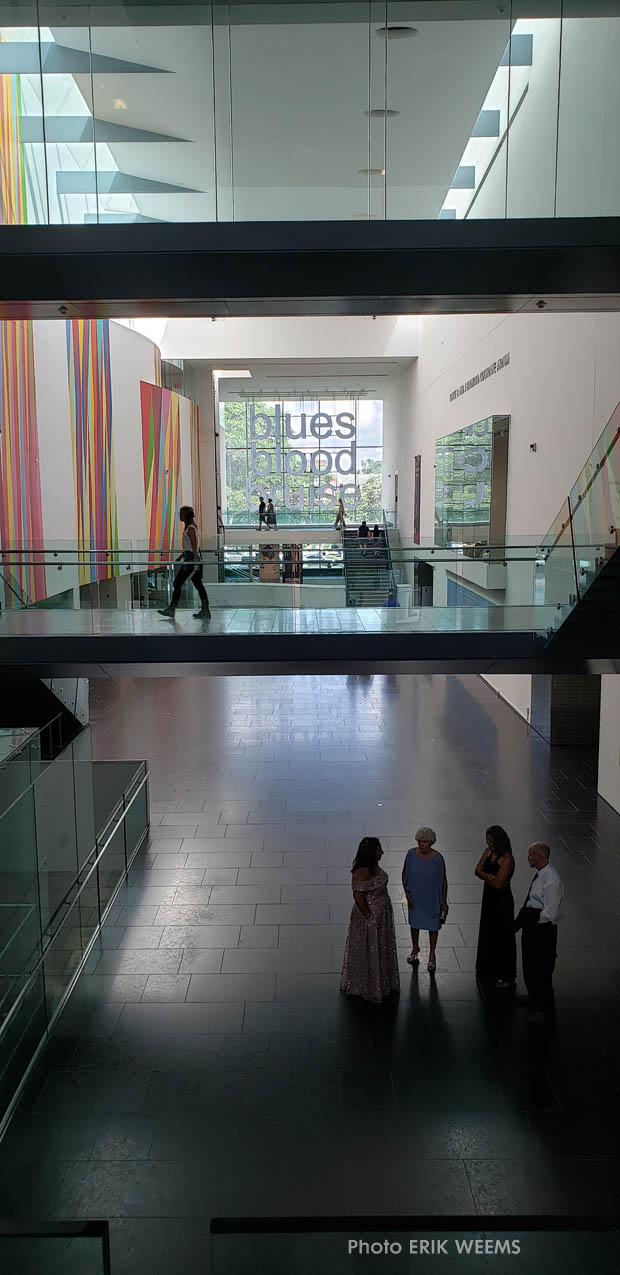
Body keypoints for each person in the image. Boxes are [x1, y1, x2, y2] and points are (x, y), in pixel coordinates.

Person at [340, 836, 400, 1002]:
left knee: (379, 947)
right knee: (370, 948)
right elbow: (358, 896)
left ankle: (381, 981)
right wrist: (369, 916)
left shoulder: (373, 866)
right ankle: (369, 985)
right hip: (371, 918)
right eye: (379, 850)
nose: (382, 852)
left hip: (381, 916)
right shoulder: (362, 871)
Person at [514, 841, 564, 1024]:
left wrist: (531, 920)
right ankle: (533, 995)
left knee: (542, 969)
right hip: (532, 927)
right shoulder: (540, 876)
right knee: (529, 964)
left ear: (539, 857)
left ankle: (545, 1009)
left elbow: (550, 913)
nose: (528, 857)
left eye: (530, 854)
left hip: (542, 932)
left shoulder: (551, 881)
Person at [474, 825, 516, 990]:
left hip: (501, 902)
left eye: (490, 841)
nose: (487, 843)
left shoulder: (507, 859)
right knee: (487, 931)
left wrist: (487, 878)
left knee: (502, 936)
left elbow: (498, 884)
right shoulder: (489, 852)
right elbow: (477, 871)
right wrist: (488, 877)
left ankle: (506, 975)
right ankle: (487, 967)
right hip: (489, 898)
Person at [402, 827, 448, 972]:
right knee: (414, 924)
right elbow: (404, 875)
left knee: (433, 927)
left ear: (431, 842)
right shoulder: (411, 854)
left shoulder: (438, 859)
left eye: (425, 842)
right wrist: (407, 896)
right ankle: (415, 948)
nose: (421, 844)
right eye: (419, 841)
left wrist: (444, 902)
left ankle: (432, 955)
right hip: (415, 898)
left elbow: (443, 881)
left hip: (432, 899)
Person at [158, 506, 210, 620]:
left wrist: (195, 563)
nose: (179, 516)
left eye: (181, 514)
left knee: (177, 583)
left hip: (191, 560)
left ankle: (172, 608)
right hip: (190, 559)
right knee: (198, 585)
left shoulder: (190, 528)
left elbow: (194, 546)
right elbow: (189, 547)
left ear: (186, 516)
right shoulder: (190, 527)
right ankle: (205, 610)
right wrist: (181, 557)